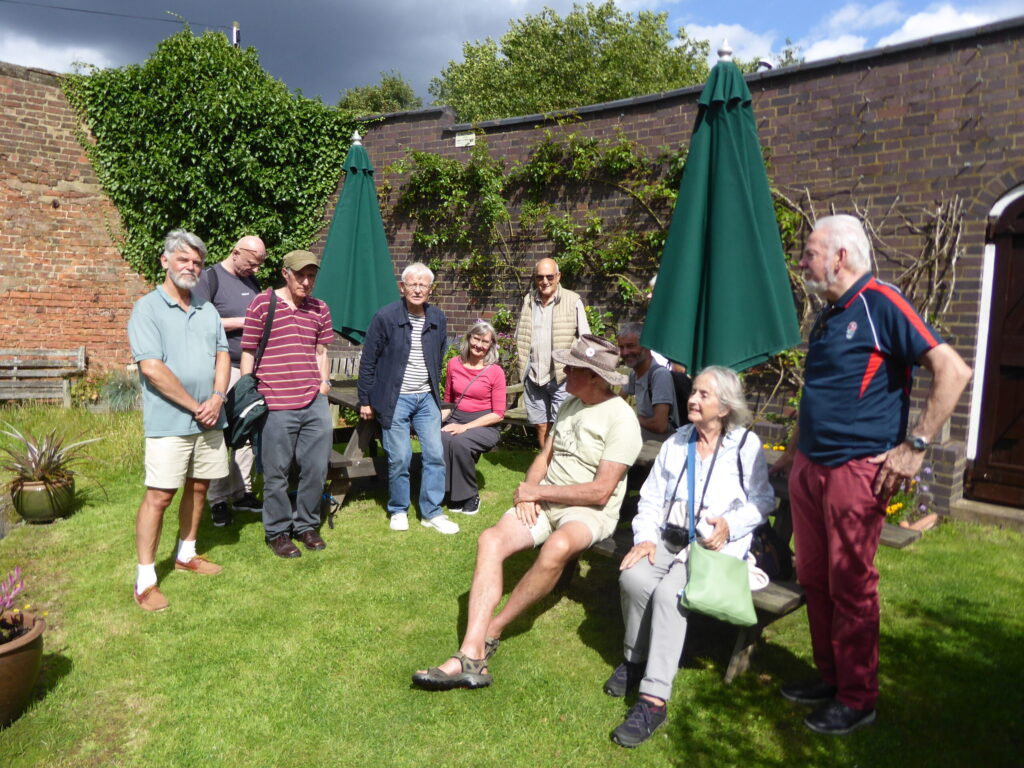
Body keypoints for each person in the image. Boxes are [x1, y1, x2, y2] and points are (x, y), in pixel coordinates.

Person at [770, 215, 972, 735]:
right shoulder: (829, 315)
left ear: (839, 256)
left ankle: (859, 697)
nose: (802, 262)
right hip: (811, 468)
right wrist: (793, 452)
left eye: (809, 252)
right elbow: (818, 394)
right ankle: (830, 677)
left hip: (856, 472)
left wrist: (916, 446)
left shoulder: (881, 303)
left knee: (851, 584)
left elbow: (953, 370)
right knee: (814, 577)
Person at [412, 335, 642, 691]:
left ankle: (494, 629)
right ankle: (472, 651)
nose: (564, 371)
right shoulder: (570, 404)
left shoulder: (622, 419)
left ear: (596, 377)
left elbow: (601, 492)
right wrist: (528, 495)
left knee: (558, 547)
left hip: (588, 512)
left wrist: (539, 491)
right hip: (545, 501)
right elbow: (544, 457)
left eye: (573, 368)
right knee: (490, 540)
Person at [606, 366, 773, 747]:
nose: (693, 400)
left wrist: (729, 524)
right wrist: (645, 538)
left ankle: (653, 698)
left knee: (670, 595)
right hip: (668, 536)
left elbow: (763, 501)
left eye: (703, 395)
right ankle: (634, 660)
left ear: (726, 407)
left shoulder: (745, 446)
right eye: (693, 392)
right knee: (633, 576)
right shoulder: (678, 440)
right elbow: (650, 497)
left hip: (712, 545)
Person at [127, 229, 230, 612]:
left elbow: (223, 355)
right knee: (160, 495)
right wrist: (194, 405)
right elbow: (152, 367)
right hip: (171, 420)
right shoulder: (147, 309)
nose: (191, 267)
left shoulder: (207, 309)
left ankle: (187, 553)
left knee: (200, 487)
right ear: (165, 262)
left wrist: (217, 398)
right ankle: (146, 579)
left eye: (197, 262)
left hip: (209, 418)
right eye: (184, 259)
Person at [240, 250, 334, 559]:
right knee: (277, 473)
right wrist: (248, 393)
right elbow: (249, 353)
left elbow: (321, 351)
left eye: (311, 276)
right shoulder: (262, 304)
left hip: (313, 401)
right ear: (285, 273)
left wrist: (323, 385)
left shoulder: (320, 309)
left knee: (316, 469)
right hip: (275, 404)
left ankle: (306, 525)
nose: (307, 282)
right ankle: (277, 533)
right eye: (300, 275)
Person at [358, 263, 454, 534]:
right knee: (399, 456)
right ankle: (399, 509)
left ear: (430, 289)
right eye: (412, 284)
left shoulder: (438, 318)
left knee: (435, 454)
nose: (417, 289)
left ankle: (431, 512)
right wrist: (365, 399)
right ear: (402, 287)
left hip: (426, 398)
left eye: (423, 285)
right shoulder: (385, 317)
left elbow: (440, 353)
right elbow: (368, 361)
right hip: (394, 398)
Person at [192, 235, 267, 526]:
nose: (255, 270)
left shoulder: (251, 281)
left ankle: (243, 492)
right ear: (235, 252)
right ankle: (218, 499)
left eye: (259, 265)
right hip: (222, 368)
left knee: (247, 430)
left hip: (249, 368)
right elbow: (197, 320)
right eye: (251, 263)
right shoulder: (210, 278)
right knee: (221, 435)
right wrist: (243, 322)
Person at [515, 257, 590, 449]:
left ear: (558, 276)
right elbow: (521, 334)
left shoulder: (573, 300)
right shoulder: (529, 300)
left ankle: (560, 467)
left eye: (549, 276)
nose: (545, 281)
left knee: (562, 425)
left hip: (562, 376)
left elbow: (585, 338)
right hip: (533, 375)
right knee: (540, 425)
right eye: (540, 277)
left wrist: (577, 369)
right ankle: (544, 465)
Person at [441, 320, 507, 516]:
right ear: (469, 338)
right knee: (442, 438)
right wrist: (434, 421)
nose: (479, 345)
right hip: (456, 416)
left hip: (485, 423)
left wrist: (465, 427)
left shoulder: (495, 372)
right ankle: (449, 492)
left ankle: (470, 495)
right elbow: (448, 401)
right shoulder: (454, 364)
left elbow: (498, 414)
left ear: (491, 345)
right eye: (476, 339)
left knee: (460, 442)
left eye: (485, 342)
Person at [618, 322, 679, 443]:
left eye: (631, 346)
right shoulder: (634, 374)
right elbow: (616, 401)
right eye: (621, 347)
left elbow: (660, 426)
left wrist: (636, 419)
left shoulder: (659, 375)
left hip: (661, 445)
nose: (624, 352)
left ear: (646, 346)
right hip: (645, 440)